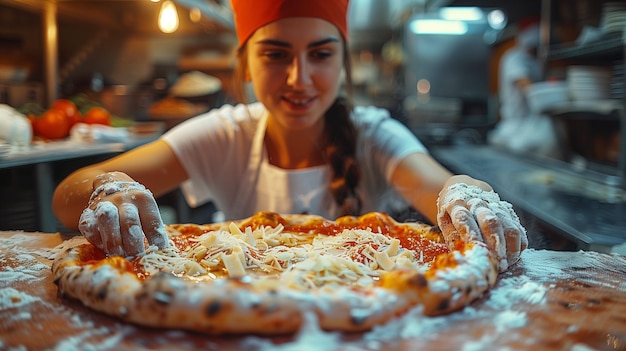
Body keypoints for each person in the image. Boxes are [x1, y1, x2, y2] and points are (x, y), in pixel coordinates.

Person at [52, 0, 527, 272]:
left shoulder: (374, 135)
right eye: (277, 55)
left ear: (342, 62)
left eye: (320, 55)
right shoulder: (224, 134)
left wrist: (466, 196)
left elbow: (442, 185)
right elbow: (68, 194)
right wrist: (107, 190)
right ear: (247, 63)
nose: (300, 78)